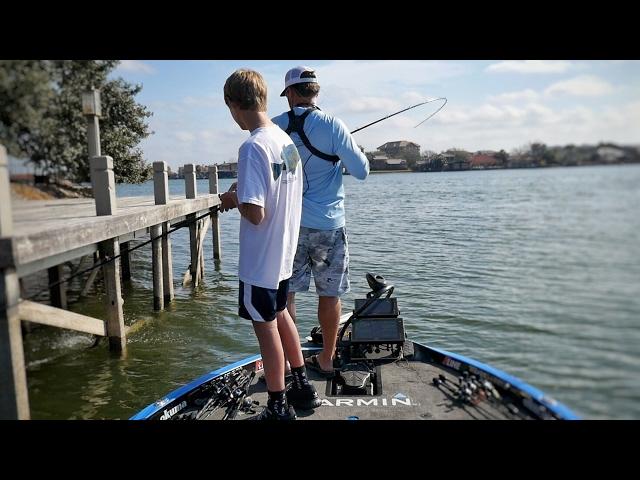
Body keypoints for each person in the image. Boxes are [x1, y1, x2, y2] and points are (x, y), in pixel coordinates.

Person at [218, 68, 321, 420]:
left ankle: (278, 406)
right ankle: (303, 386)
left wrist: (232, 199)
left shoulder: (251, 147)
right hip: (283, 256)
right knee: (282, 315)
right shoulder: (284, 141)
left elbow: (256, 212)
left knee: (266, 331)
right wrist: (244, 193)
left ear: (233, 104)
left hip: (259, 262)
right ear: (262, 98)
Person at [272, 66, 369, 376]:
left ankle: (288, 361)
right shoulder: (333, 125)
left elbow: (271, 177)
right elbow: (362, 171)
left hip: (288, 226)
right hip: (328, 227)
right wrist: (345, 151)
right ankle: (326, 359)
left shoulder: (274, 128)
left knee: (286, 295)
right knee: (330, 294)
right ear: (315, 91)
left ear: (289, 93)